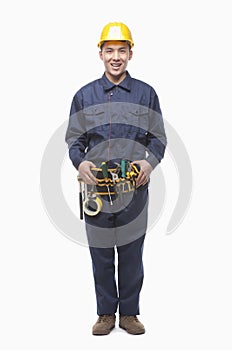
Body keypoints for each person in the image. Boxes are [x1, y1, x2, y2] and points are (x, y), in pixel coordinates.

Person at [65, 22, 167, 335]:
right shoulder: (85, 95)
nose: (116, 56)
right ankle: (106, 313)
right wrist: (79, 163)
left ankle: (130, 314)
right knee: (101, 253)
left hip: (133, 189)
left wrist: (149, 163)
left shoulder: (145, 94)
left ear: (130, 54)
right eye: (109, 50)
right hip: (97, 190)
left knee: (132, 251)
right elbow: (74, 138)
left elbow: (158, 138)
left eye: (122, 50)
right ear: (100, 54)